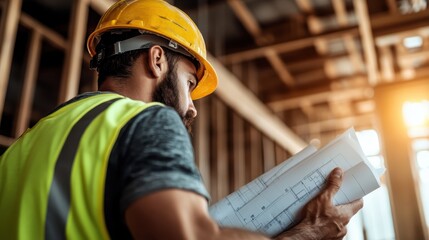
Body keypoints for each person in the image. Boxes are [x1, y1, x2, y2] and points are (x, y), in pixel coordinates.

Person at [0, 0, 363, 239]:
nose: (191, 108)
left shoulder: (25, 143)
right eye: (189, 83)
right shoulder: (146, 120)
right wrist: (308, 233)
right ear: (157, 60)